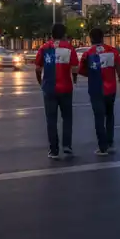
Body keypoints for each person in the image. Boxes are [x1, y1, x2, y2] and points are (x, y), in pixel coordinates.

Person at [77, 27, 120, 156]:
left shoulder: (88, 54)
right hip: (111, 90)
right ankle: (110, 143)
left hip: (96, 90)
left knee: (99, 118)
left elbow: (81, 71)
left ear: (90, 38)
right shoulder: (113, 51)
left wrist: (94, 73)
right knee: (109, 116)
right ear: (103, 37)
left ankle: (102, 147)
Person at [35, 22, 78, 160]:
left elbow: (37, 68)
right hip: (66, 88)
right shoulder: (69, 48)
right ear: (64, 34)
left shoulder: (44, 48)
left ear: (51, 34)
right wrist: (74, 79)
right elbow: (75, 69)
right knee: (67, 118)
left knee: (51, 120)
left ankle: (53, 150)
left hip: (49, 88)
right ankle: (67, 146)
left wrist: (41, 82)